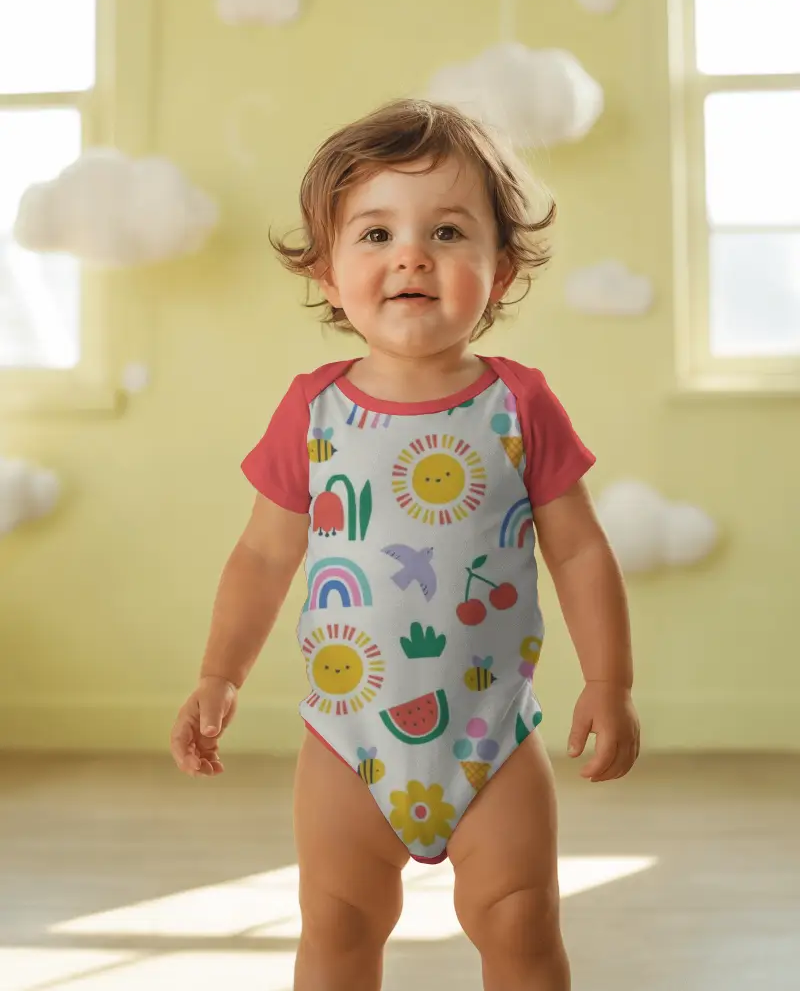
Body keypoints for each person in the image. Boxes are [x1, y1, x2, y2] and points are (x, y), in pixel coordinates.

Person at [170, 98, 640, 991]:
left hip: (492, 736)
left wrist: (610, 682)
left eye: (450, 232)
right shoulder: (313, 410)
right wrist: (220, 674)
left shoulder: (519, 404)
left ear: (501, 272)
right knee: (337, 929)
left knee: (522, 926)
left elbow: (580, 552)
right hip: (347, 742)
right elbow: (265, 556)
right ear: (327, 269)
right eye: (377, 233)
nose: (412, 255)